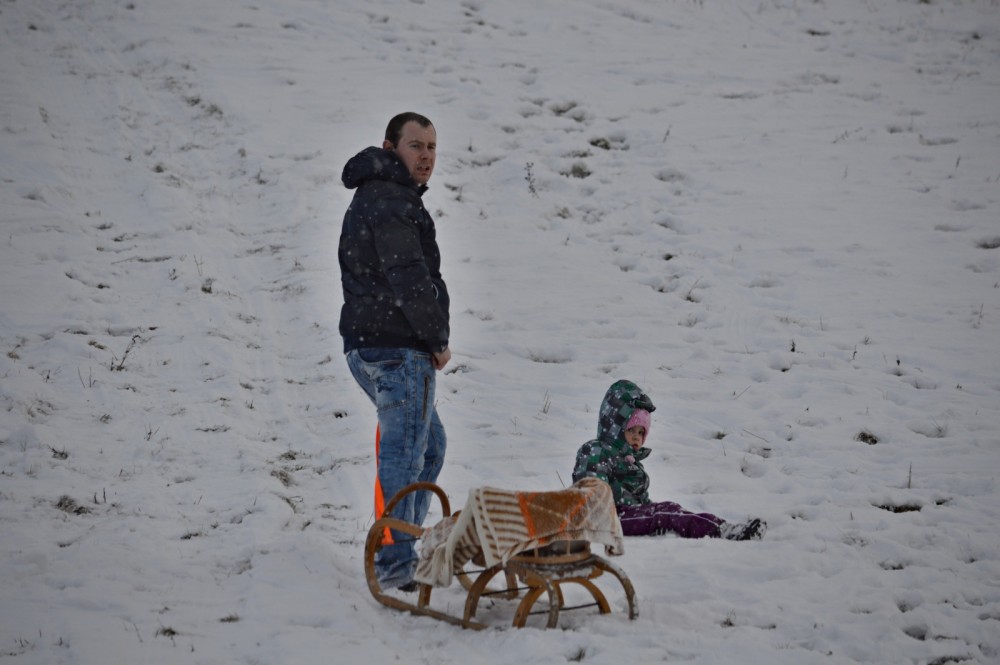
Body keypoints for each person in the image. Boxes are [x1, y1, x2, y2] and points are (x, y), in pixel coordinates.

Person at [339, 112, 451, 591]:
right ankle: (395, 564)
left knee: (430, 446)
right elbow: (409, 278)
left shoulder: (381, 194)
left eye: (431, 147)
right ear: (390, 147)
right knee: (405, 456)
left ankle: (403, 544)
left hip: (370, 345)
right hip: (397, 348)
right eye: (415, 145)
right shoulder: (391, 201)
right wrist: (436, 339)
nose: (425, 156)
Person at [572, 380, 766, 541]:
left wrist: (647, 508)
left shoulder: (632, 464)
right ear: (616, 426)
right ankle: (723, 531)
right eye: (631, 430)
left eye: (641, 432)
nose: (637, 437)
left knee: (666, 511)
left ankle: (722, 527)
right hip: (605, 518)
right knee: (665, 514)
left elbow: (641, 502)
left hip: (621, 515)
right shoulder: (596, 450)